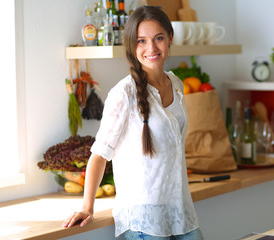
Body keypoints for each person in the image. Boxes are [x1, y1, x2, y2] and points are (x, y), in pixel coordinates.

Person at [62, 6, 204, 240]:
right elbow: (99, 155)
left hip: (181, 211)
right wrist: (87, 207)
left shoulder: (176, 84)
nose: (151, 48)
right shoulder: (123, 94)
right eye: (141, 41)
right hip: (143, 221)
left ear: (170, 38)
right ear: (132, 45)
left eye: (158, 38)